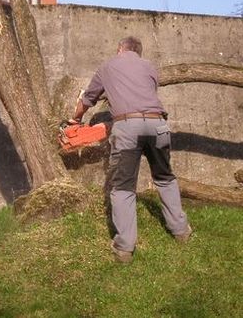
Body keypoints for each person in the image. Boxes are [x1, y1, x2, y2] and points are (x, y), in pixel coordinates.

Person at [71, 36, 191, 264]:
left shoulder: (107, 66)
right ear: (138, 52)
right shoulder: (149, 68)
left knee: (124, 188)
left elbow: (88, 99)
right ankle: (181, 231)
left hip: (128, 127)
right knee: (165, 178)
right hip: (158, 126)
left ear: (120, 50)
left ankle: (124, 248)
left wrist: (75, 119)